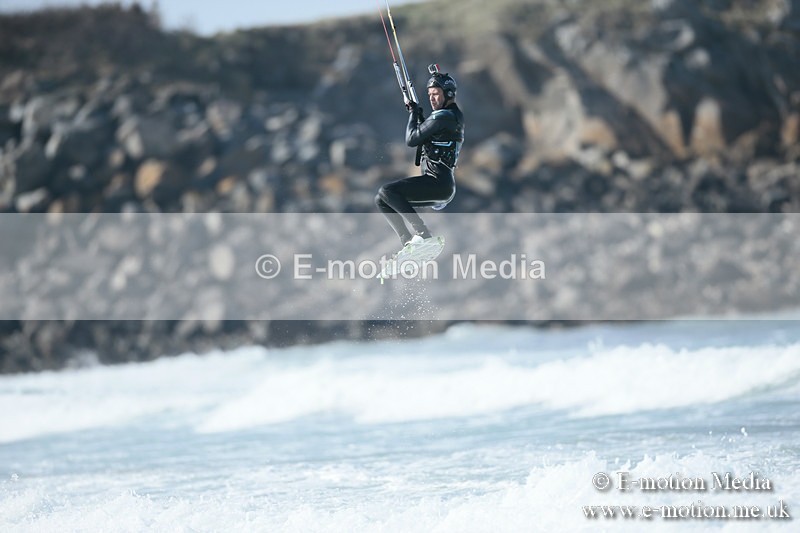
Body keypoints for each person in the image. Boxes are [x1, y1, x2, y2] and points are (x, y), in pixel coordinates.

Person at [375, 66, 464, 248]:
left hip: (440, 185)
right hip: (436, 185)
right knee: (382, 199)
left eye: (436, 94)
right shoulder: (447, 118)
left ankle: (423, 234)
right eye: (429, 94)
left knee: (387, 191)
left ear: (448, 94)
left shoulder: (444, 117)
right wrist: (420, 117)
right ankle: (407, 242)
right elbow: (429, 135)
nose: (431, 98)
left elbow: (411, 139)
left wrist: (413, 114)